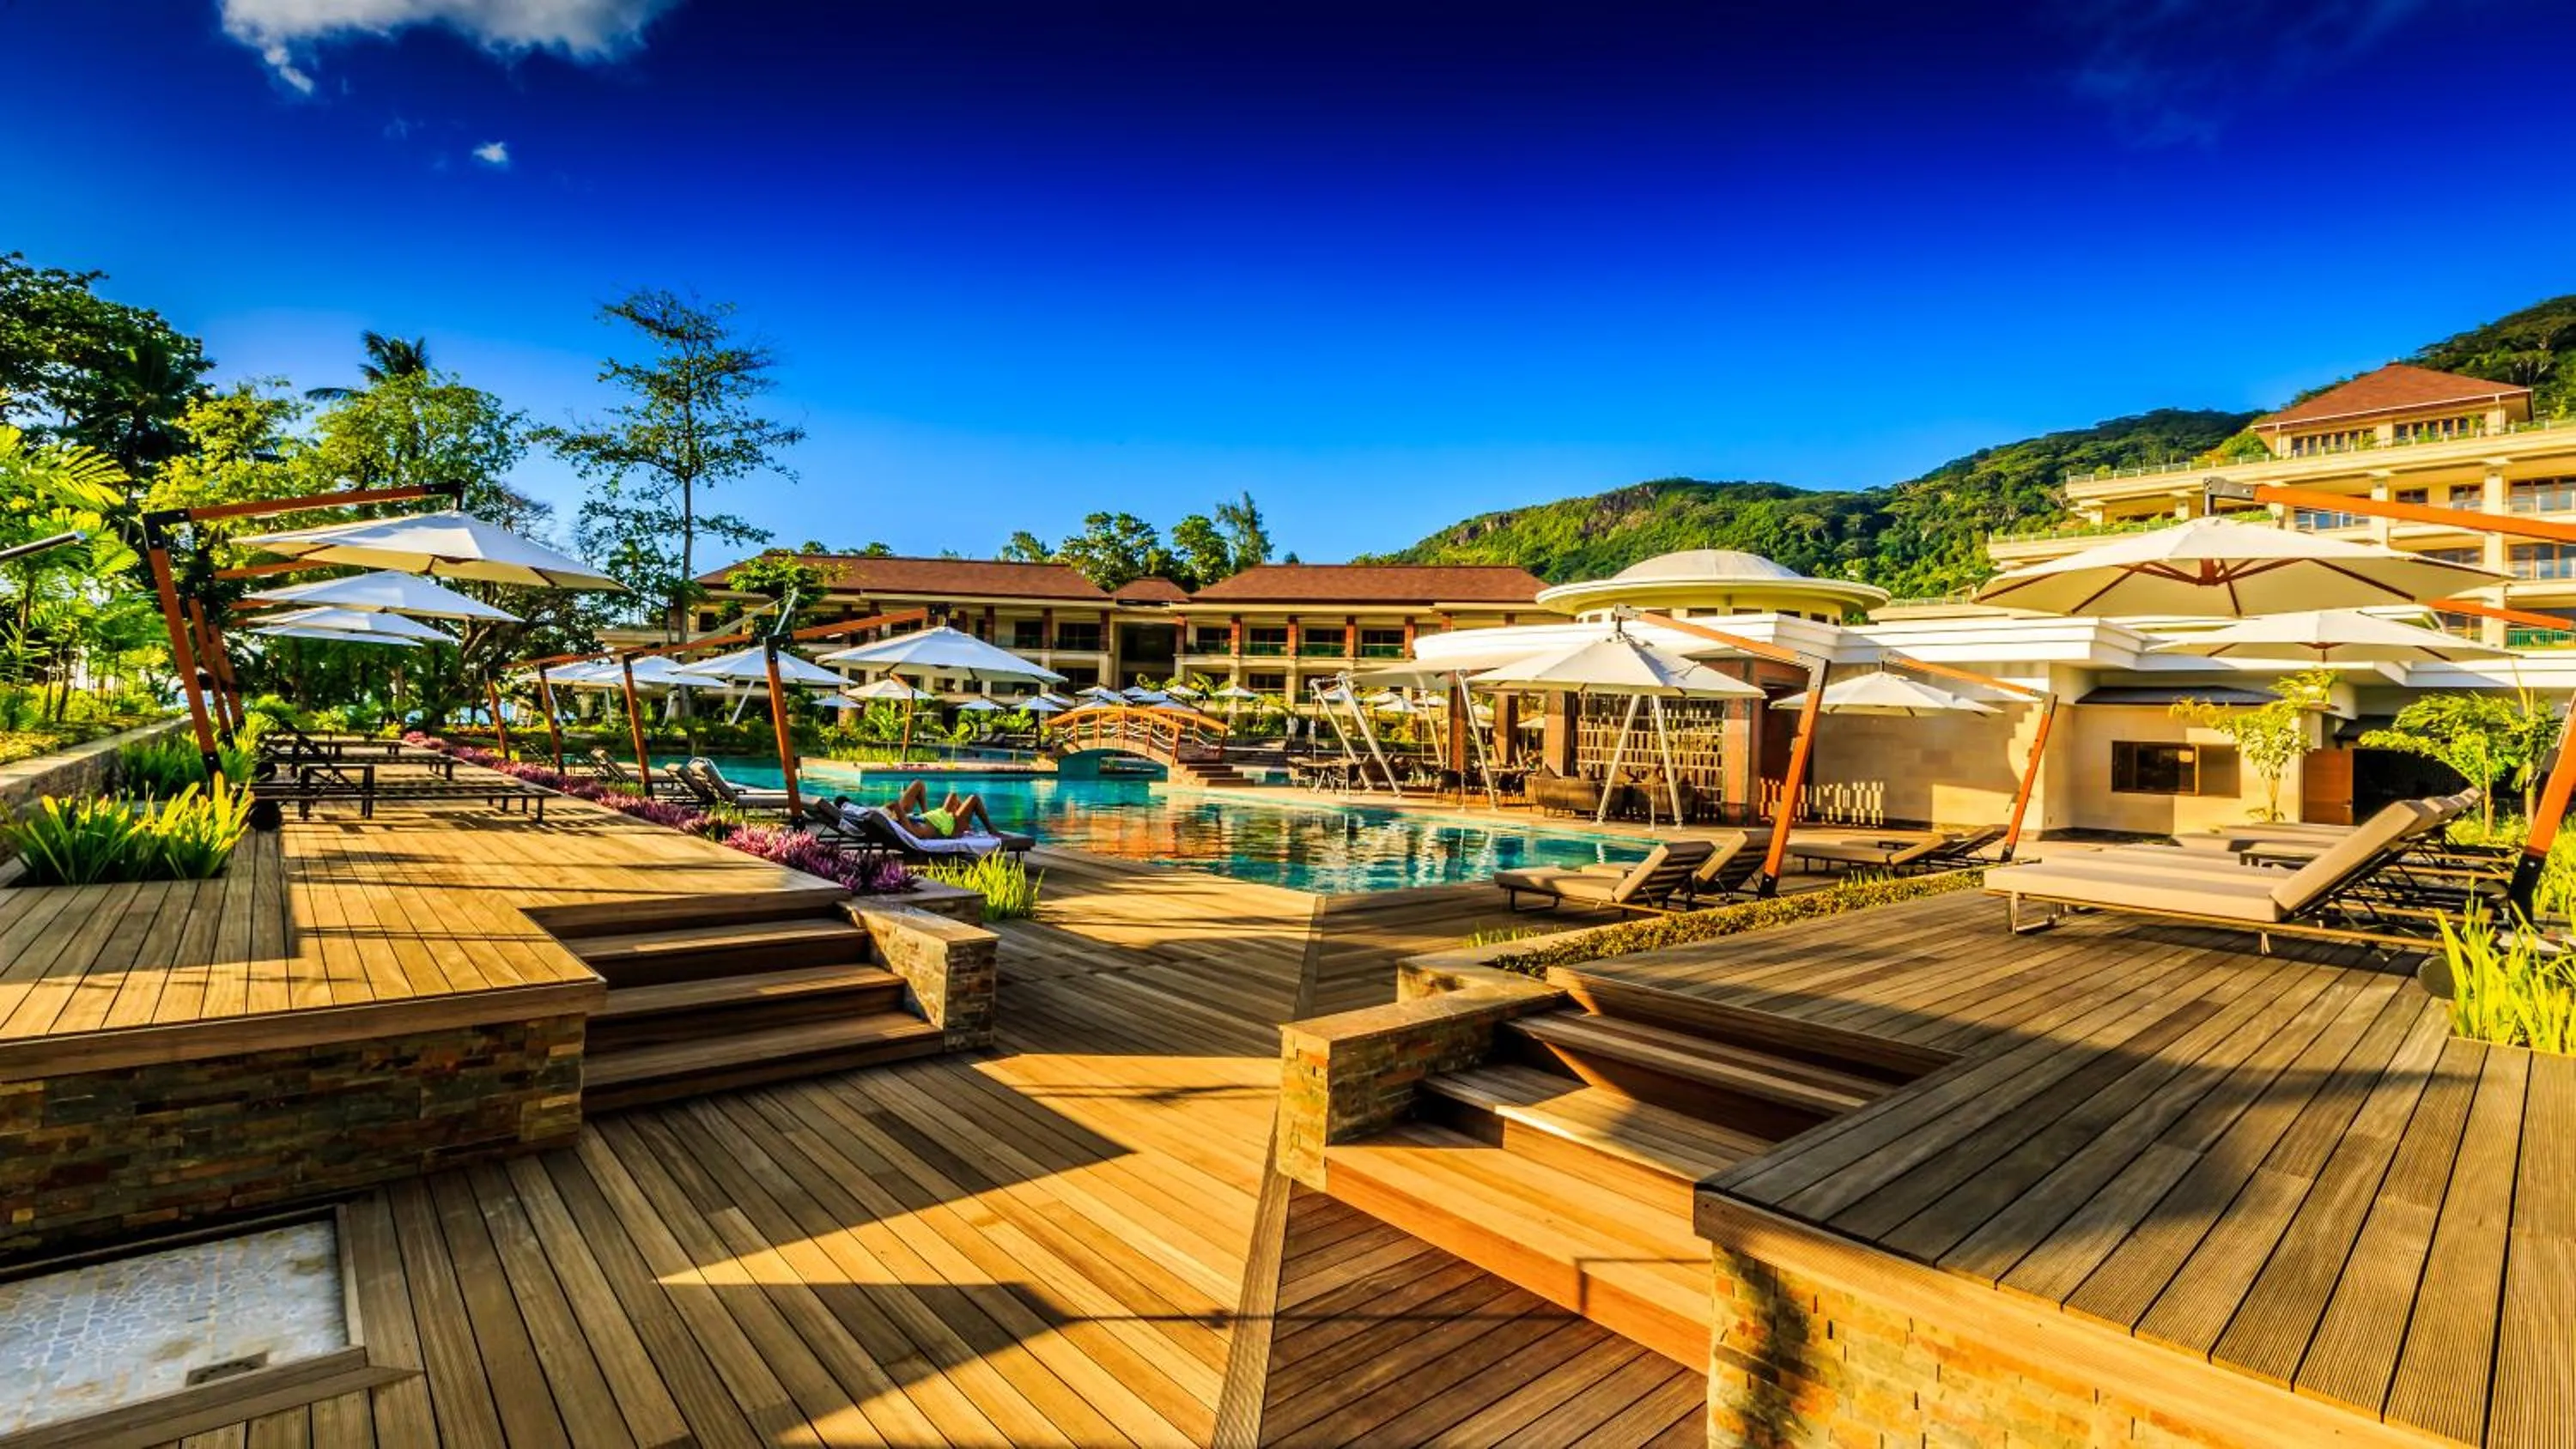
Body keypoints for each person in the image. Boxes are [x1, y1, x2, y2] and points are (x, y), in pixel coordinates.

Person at [891, 779, 997, 839]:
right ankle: (992, 831)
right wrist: (894, 810)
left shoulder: (906, 820)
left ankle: (966, 826)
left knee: (953, 795)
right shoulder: (910, 829)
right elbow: (895, 804)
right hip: (952, 828)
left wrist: (925, 813)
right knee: (974, 799)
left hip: (939, 817)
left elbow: (918, 785)